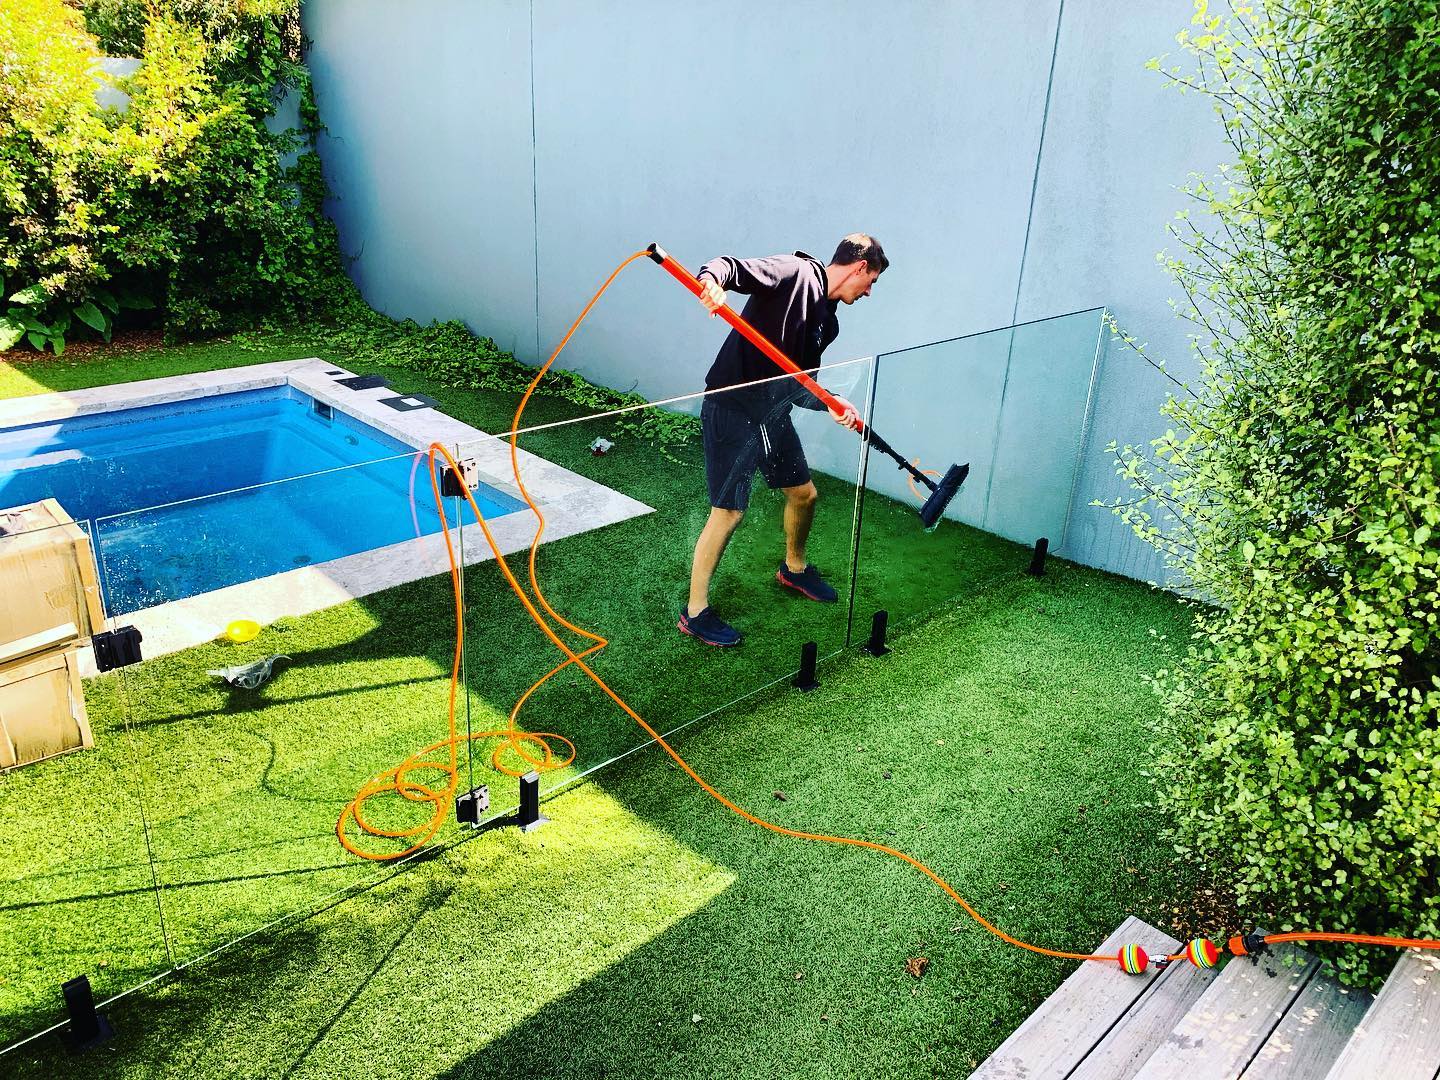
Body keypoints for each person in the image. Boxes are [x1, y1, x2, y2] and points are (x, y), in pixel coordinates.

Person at [678, 233, 888, 647]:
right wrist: (711, 283)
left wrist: (832, 402)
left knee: (805, 495)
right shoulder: (796, 273)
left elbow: (801, 383)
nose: (868, 293)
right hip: (731, 406)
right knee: (729, 511)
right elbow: (730, 265)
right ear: (860, 267)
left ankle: (793, 568)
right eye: (872, 282)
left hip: (770, 413)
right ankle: (696, 611)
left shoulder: (828, 322)